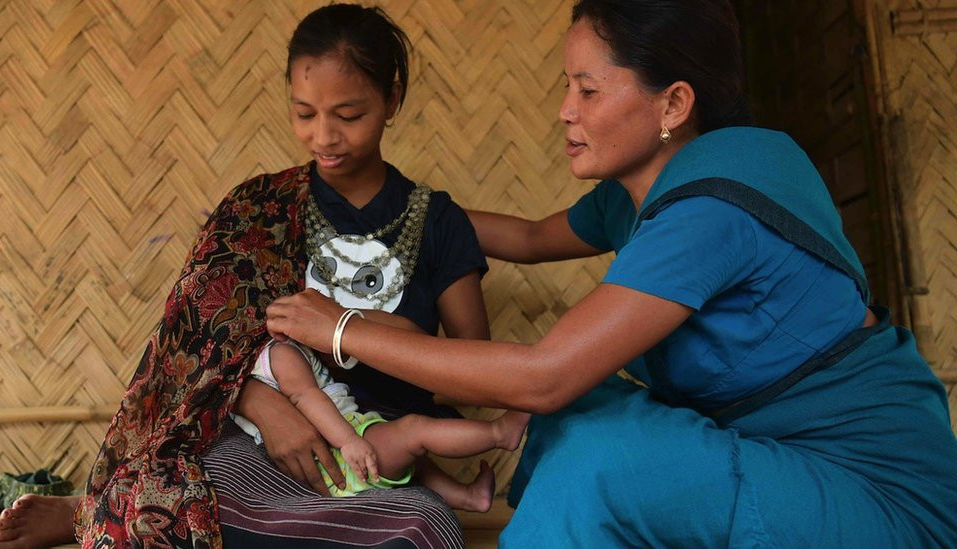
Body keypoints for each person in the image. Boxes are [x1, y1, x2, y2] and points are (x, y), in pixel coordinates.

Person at [264, 0, 957, 547]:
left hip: (873, 494)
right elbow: (532, 238)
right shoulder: (641, 189)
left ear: (673, 104)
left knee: (597, 455)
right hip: (768, 455)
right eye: (567, 85)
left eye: (589, 90)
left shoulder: (717, 200)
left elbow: (545, 373)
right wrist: (394, 209)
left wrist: (343, 326)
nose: (565, 109)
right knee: (571, 421)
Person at [0, 4, 497, 548]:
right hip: (254, 436)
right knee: (171, 496)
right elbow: (192, 356)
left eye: (348, 115)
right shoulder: (255, 210)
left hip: (380, 456)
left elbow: (472, 369)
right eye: (304, 113)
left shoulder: (437, 220)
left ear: (391, 99)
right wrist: (265, 403)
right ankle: (103, 505)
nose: (324, 136)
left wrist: (349, 327)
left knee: (423, 526)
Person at [232, 339, 529, 509]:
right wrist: (349, 441)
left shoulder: (230, 389)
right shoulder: (278, 352)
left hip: (326, 477)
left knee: (416, 467)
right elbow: (305, 395)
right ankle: (500, 433)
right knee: (415, 432)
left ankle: (469, 497)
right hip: (340, 451)